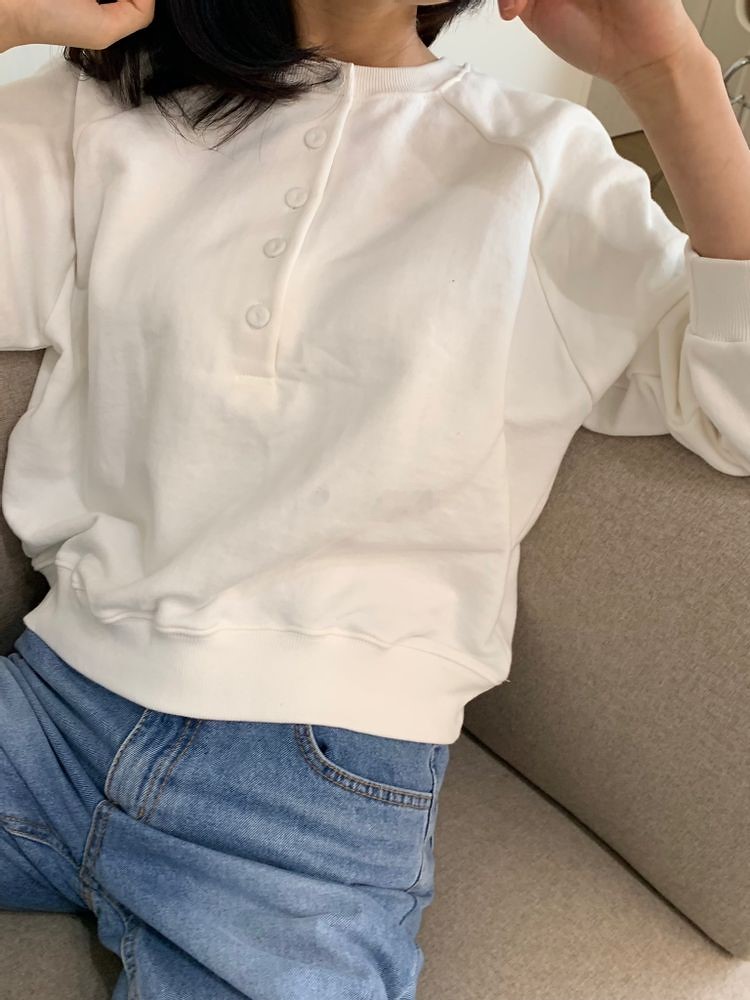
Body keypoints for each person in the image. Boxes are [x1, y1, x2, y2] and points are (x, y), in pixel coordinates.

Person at [0, 1, 748, 997]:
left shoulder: (540, 160)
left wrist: (669, 73)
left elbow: (738, 409)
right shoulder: (106, 105)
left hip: (309, 791)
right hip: (48, 707)